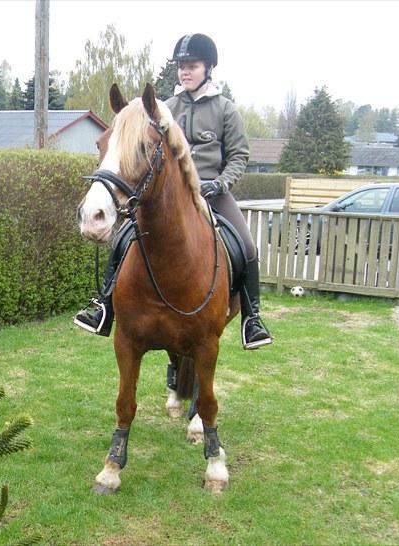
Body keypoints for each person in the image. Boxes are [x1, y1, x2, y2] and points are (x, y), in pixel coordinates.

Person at [74, 33, 272, 352]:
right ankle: (104, 305)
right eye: (181, 67)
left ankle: (253, 318)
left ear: (209, 68)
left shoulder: (225, 109)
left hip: (212, 192)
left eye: (192, 66)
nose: (185, 72)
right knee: (125, 236)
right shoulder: (165, 108)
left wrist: (220, 183)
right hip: (171, 196)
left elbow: (239, 156)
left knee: (247, 246)